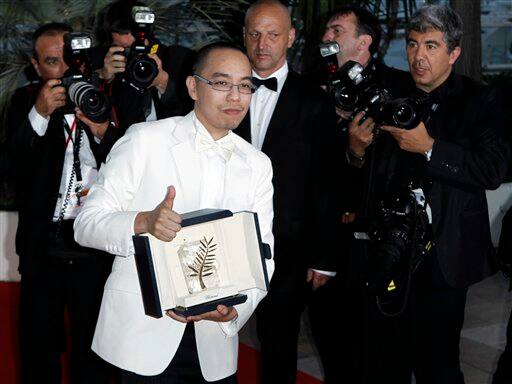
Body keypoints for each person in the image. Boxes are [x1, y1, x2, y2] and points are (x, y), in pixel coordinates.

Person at [73, 42, 274, 383]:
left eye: (245, 86)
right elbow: (86, 224)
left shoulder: (257, 164)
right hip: (140, 338)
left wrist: (233, 312)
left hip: (215, 347)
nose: (236, 96)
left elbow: (264, 257)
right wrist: (143, 221)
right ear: (194, 86)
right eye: (222, 83)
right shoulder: (144, 140)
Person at [348, 5, 509, 383]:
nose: (419, 56)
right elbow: (366, 173)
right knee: (384, 362)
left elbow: (490, 170)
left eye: (431, 46)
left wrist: (430, 147)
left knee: (437, 365)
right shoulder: (389, 94)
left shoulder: (482, 100)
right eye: (413, 44)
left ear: (453, 53)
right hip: (387, 247)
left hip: (442, 254)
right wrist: (355, 150)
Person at [309, 6, 415, 382]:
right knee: (333, 347)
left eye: (336, 30)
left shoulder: (400, 88)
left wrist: (360, 149)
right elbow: (312, 169)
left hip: (379, 243)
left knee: (383, 355)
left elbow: (404, 165)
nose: (326, 38)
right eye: (325, 32)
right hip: (328, 243)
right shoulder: (315, 90)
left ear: (364, 41)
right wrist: (347, 145)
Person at [237, 1, 341, 382]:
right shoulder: (223, 91)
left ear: (291, 38)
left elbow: (326, 183)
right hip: (225, 239)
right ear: (244, 36)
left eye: (274, 34)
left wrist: (324, 257)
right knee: (215, 340)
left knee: (278, 343)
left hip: (288, 247)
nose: (263, 44)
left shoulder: (315, 101)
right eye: (255, 34)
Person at [5, 22, 112, 383]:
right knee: (38, 350)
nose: (64, 70)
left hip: (95, 245)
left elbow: (133, 169)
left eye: (71, 60)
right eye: (52, 61)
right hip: (42, 246)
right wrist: (40, 114)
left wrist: (102, 130)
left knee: (93, 353)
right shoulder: (25, 102)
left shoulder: (106, 97)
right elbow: (12, 170)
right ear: (36, 67)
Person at [92, 0, 194, 141]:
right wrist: (104, 78)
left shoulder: (178, 59)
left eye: (135, 46)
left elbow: (194, 112)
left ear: (148, 35)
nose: (133, 54)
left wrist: (163, 82)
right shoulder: (108, 62)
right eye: (123, 49)